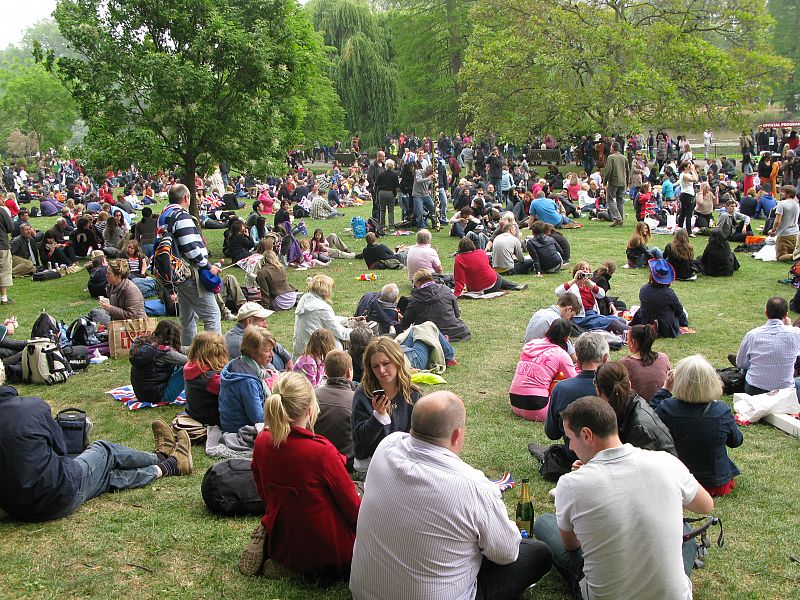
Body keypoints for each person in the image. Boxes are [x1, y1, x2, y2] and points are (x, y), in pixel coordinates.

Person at [350, 391, 553, 600]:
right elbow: (506, 553)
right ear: (457, 435)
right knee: (537, 553)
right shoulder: (474, 488)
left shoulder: (386, 446)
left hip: (365, 592)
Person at [533, 397, 714, 600]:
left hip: (604, 594)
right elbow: (705, 505)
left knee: (544, 523)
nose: (571, 447)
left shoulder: (571, 483)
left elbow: (571, 545)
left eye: (569, 439)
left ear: (586, 435)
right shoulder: (665, 462)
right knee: (684, 530)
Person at [0, 364, 192, 522]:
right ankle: (161, 457)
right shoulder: (31, 407)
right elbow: (61, 448)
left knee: (105, 477)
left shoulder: (28, 409)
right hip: (59, 491)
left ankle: (169, 466)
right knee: (104, 450)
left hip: (17, 509)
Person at [244, 372, 360, 579]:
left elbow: (263, 490)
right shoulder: (322, 452)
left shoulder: (262, 442)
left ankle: (277, 551)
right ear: (309, 409)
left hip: (284, 531)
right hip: (327, 548)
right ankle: (299, 569)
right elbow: (352, 509)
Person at [652, 355, 744, 496]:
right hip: (714, 483)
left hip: (677, 480)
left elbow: (648, 419)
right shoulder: (721, 410)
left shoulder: (666, 407)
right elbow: (736, 441)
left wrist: (665, 390)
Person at [159, 184, 222, 346]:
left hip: (176, 274)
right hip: (188, 272)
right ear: (186, 198)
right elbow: (190, 247)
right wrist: (208, 266)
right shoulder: (182, 216)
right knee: (212, 315)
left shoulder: (164, 215)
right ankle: (214, 356)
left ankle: (187, 355)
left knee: (187, 318)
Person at [351, 337, 422, 474]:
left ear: (397, 361)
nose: (382, 370)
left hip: (404, 461)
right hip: (370, 464)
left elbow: (418, 435)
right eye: (375, 366)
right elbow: (361, 440)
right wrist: (377, 417)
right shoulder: (363, 393)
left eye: (386, 363)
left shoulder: (412, 393)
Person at [545, 332, 609, 460]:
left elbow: (552, 433)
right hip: (611, 458)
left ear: (578, 361)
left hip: (574, 456)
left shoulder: (562, 389)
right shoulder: (615, 386)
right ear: (605, 358)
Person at [593, 362, 676, 454]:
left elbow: (638, 465)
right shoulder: (629, 406)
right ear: (629, 385)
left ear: (598, 391)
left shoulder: (639, 428)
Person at [509, 319, 577, 421]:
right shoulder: (561, 354)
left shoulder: (531, 345)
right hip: (537, 407)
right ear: (567, 338)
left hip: (515, 403)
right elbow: (575, 381)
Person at [736, 296, 800, 395]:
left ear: (766, 313)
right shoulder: (796, 334)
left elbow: (741, 363)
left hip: (755, 390)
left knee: (744, 368)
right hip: (785, 392)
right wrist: (790, 327)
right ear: (786, 315)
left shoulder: (752, 335)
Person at [219, 326, 276, 433]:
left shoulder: (238, 362)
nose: (272, 355)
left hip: (229, 423)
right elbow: (258, 418)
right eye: (268, 351)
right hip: (239, 428)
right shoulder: (248, 382)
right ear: (253, 352)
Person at [314, 350, 357, 471]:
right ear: (349, 372)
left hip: (318, 458)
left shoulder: (313, 396)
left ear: (326, 372)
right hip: (347, 464)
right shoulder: (356, 400)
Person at [555, 262, 629, 333]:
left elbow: (601, 294)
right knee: (613, 322)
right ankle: (634, 332)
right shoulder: (572, 287)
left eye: (587, 269)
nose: (585, 270)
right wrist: (575, 280)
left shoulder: (590, 285)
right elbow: (558, 292)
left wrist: (590, 285)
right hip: (580, 318)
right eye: (582, 268)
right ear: (576, 272)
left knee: (620, 320)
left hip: (593, 314)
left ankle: (628, 331)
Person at [400, 268, 471, 342]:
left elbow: (406, 323)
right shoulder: (446, 290)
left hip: (429, 334)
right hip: (455, 333)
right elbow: (457, 314)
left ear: (417, 282)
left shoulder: (415, 298)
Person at [130, 320, 188, 405]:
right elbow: (191, 362)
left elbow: (181, 350)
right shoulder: (166, 353)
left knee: (177, 365)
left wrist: (197, 347)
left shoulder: (145, 343)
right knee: (189, 368)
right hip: (159, 397)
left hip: (141, 394)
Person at [225, 301, 292, 371]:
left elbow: (271, 343)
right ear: (249, 322)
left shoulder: (249, 334)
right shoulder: (242, 343)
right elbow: (263, 370)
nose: (266, 325)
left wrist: (287, 358)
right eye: (262, 320)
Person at [631, 258, 689, 337]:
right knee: (682, 311)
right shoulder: (669, 294)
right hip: (664, 328)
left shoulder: (644, 289)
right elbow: (679, 310)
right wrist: (683, 322)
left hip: (645, 323)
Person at [453, 237, 526, 296]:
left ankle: (513, 286)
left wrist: (457, 293)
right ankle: (514, 286)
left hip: (475, 288)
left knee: (493, 275)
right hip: (492, 283)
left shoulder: (459, 259)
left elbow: (459, 279)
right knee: (496, 275)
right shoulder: (481, 252)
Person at [618, 324, 671, 403]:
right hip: (661, 404)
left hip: (638, 410)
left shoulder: (624, 363)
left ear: (633, 341)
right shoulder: (664, 358)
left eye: (627, 339)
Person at [184, 331, 228, 426]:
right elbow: (232, 391)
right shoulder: (210, 378)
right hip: (211, 418)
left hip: (194, 412)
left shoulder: (192, 366)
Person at [253, 238, 299, 311]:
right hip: (292, 298)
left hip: (280, 302)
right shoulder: (282, 267)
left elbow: (265, 292)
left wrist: (265, 308)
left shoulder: (261, 272)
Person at [769, 185, 799, 261]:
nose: (781, 193)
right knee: (792, 252)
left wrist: (773, 230)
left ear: (788, 194)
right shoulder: (796, 204)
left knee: (780, 257)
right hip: (795, 234)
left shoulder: (781, 204)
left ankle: (797, 256)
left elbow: (777, 221)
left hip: (784, 235)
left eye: (783, 192)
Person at [603, 142, 628, 226]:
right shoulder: (624, 158)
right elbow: (627, 170)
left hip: (614, 181)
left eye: (611, 147)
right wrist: (627, 182)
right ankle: (620, 219)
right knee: (619, 201)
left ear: (613, 148)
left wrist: (605, 181)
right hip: (622, 182)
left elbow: (608, 170)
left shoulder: (611, 157)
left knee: (609, 200)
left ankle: (617, 218)